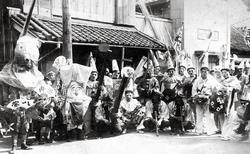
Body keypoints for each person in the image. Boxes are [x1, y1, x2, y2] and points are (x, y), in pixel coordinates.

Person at [192, 65, 218, 135]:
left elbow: (214, 91)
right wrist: (196, 96)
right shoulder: (197, 80)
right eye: (202, 72)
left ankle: (209, 130)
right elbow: (194, 90)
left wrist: (210, 97)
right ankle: (199, 131)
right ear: (200, 72)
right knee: (199, 115)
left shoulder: (211, 80)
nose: (204, 73)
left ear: (208, 72)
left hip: (208, 99)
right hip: (199, 100)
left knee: (209, 116)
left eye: (205, 72)